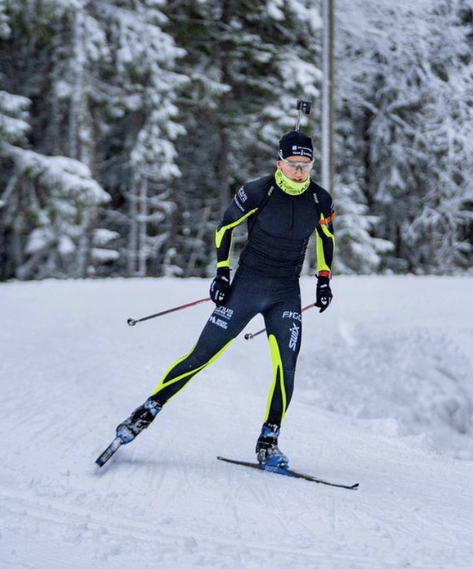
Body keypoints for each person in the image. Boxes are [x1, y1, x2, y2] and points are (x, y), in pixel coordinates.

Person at [112, 130, 335, 469]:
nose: (300, 172)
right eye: (293, 164)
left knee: (285, 369)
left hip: (286, 294)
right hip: (246, 288)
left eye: (306, 165)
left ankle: (268, 442)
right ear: (280, 163)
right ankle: (145, 412)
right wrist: (221, 272)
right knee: (201, 356)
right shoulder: (258, 191)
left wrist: (323, 280)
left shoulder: (320, 200)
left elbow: (326, 237)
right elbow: (225, 227)